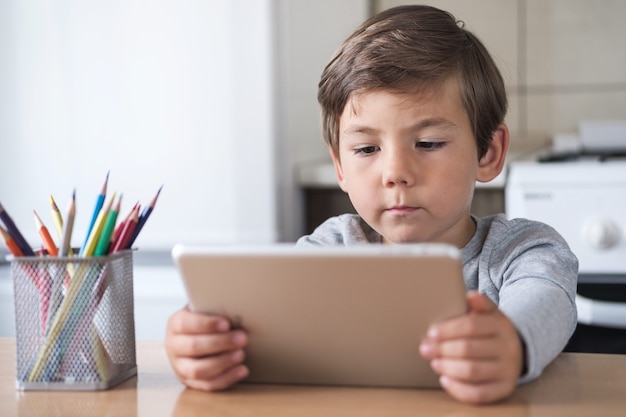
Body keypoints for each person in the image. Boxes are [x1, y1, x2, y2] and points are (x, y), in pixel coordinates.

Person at [165, 5, 578, 405]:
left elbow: (546, 305)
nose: (395, 172)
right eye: (366, 148)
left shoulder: (522, 251)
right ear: (340, 166)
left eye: (428, 143)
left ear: (487, 152)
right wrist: (205, 343)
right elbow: (271, 330)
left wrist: (513, 345)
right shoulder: (328, 251)